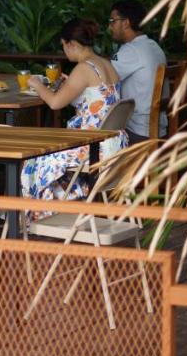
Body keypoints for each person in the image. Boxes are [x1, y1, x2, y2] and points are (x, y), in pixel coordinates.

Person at [21, 19, 129, 218]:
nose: (64, 51)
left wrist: (37, 85)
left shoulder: (83, 69)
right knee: (47, 152)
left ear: (71, 44)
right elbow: (97, 103)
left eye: (63, 46)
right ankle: (59, 207)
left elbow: (54, 103)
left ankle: (33, 214)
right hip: (115, 145)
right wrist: (70, 85)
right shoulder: (106, 64)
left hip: (93, 148)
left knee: (34, 157)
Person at [107, 0, 167, 143]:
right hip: (159, 127)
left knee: (94, 134)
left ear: (126, 22)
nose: (110, 26)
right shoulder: (153, 46)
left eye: (112, 21)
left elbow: (102, 78)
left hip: (138, 131)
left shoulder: (131, 50)